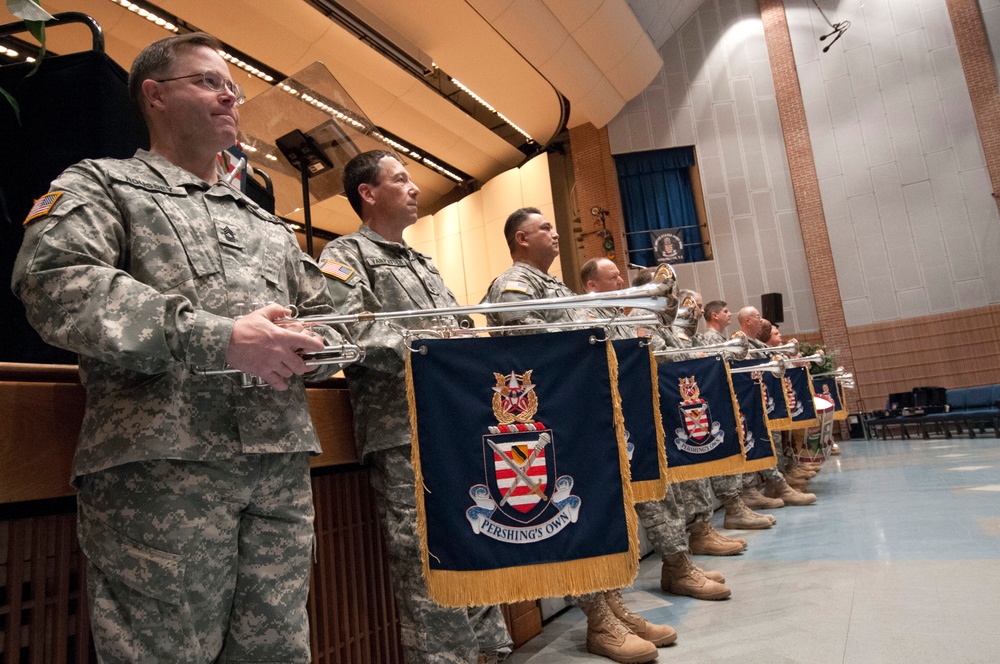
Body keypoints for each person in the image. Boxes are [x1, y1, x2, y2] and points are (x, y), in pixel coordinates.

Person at [12, 33, 346, 662]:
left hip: (276, 472)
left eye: (233, 87)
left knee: (278, 651)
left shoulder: (266, 225)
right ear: (155, 95)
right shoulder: (103, 186)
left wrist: (314, 344)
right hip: (163, 473)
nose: (229, 95)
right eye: (208, 81)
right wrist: (218, 336)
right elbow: (55, 284)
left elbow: (335, 318)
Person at [317, 150, 513, 664]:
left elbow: (460, 327)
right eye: (400, 178)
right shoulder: (345, 255)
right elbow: (351, 330)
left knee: (474, 536)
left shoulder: (422, 262)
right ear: (367, 192)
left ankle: (489, 651)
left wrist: (460, 341)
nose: (414, 187)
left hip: (456, 423)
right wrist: (434, 346)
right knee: (427, 557)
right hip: (402, 428)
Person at [486, 210, 676, 664]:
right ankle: (598, 620)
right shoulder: (515, 284)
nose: (556, 232)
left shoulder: (556, 288)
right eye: (546, 228)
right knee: (572, 518)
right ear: (521, 238)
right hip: (548, 417)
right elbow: (528, 341)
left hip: (578, 411)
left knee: (591, 513)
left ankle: (611, 606)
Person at [693, 302, 775, 530]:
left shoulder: (720, 338)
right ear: (714, 315)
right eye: (726, 311)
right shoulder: (709, 338)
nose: (730, 314)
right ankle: (736, 504)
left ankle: (743, 498)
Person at [734, 307, 817, 508]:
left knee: (775, 443)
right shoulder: (741, 343)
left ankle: (777, 483)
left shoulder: (758, 345)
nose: (761, 319)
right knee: (764, 444)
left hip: (767, 403)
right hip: (752, 405)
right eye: (757, 317)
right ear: (746, 321)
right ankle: (775, 484)